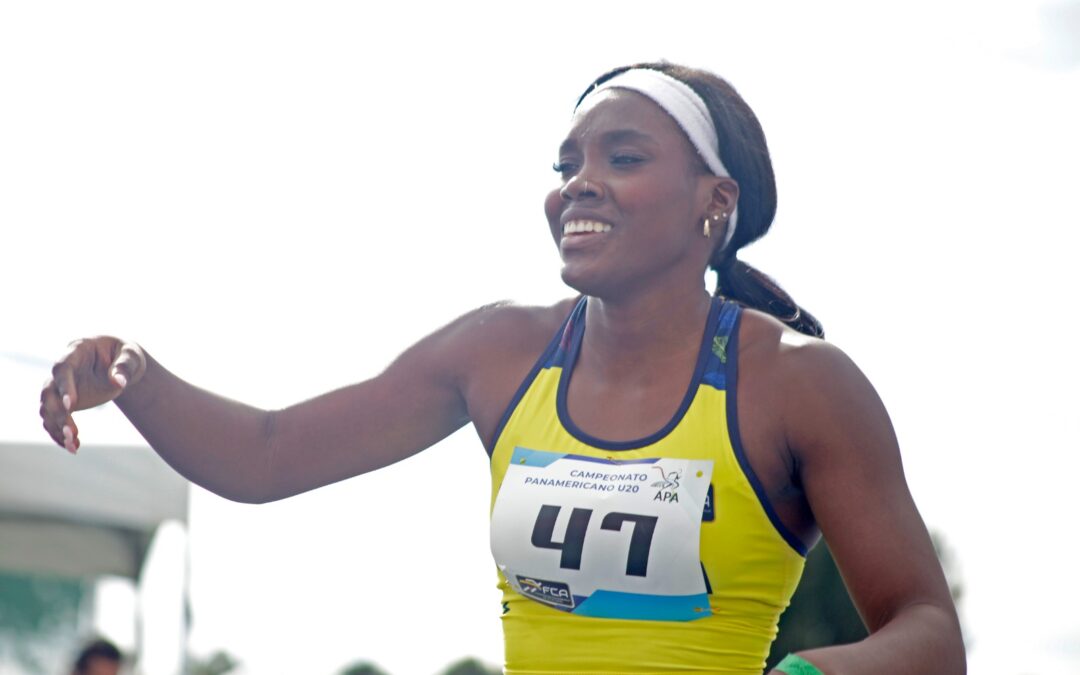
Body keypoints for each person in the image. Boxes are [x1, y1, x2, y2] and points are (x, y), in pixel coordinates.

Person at [40, 62, 964, 674]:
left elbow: (928, 630)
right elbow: (270, 453)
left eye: (624, 156)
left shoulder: (801, 383)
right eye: (567, 163)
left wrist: (806, 673)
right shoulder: (501, 353)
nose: (579, 183)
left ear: (713, 202)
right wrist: (138, 379)